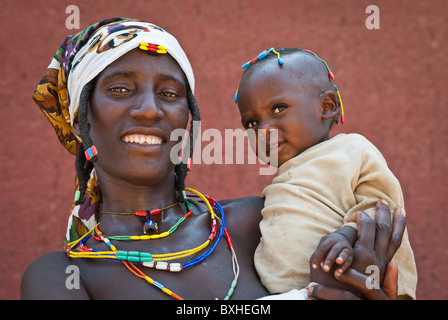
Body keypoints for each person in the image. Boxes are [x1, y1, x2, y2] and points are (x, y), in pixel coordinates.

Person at [22, 18, 404, 300]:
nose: (150, 110)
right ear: (82, 118)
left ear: (187, 119)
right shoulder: (63, 276)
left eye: (170, 94)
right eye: (120, 89)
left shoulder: (265, 220)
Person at [235, 47, 417, 299]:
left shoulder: (351, 150)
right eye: (252, 123)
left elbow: (383, 208)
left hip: (358, 284)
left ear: (327, 105)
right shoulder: (284, 180)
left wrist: (347, 235)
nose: (263, 130)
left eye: (278, 108)